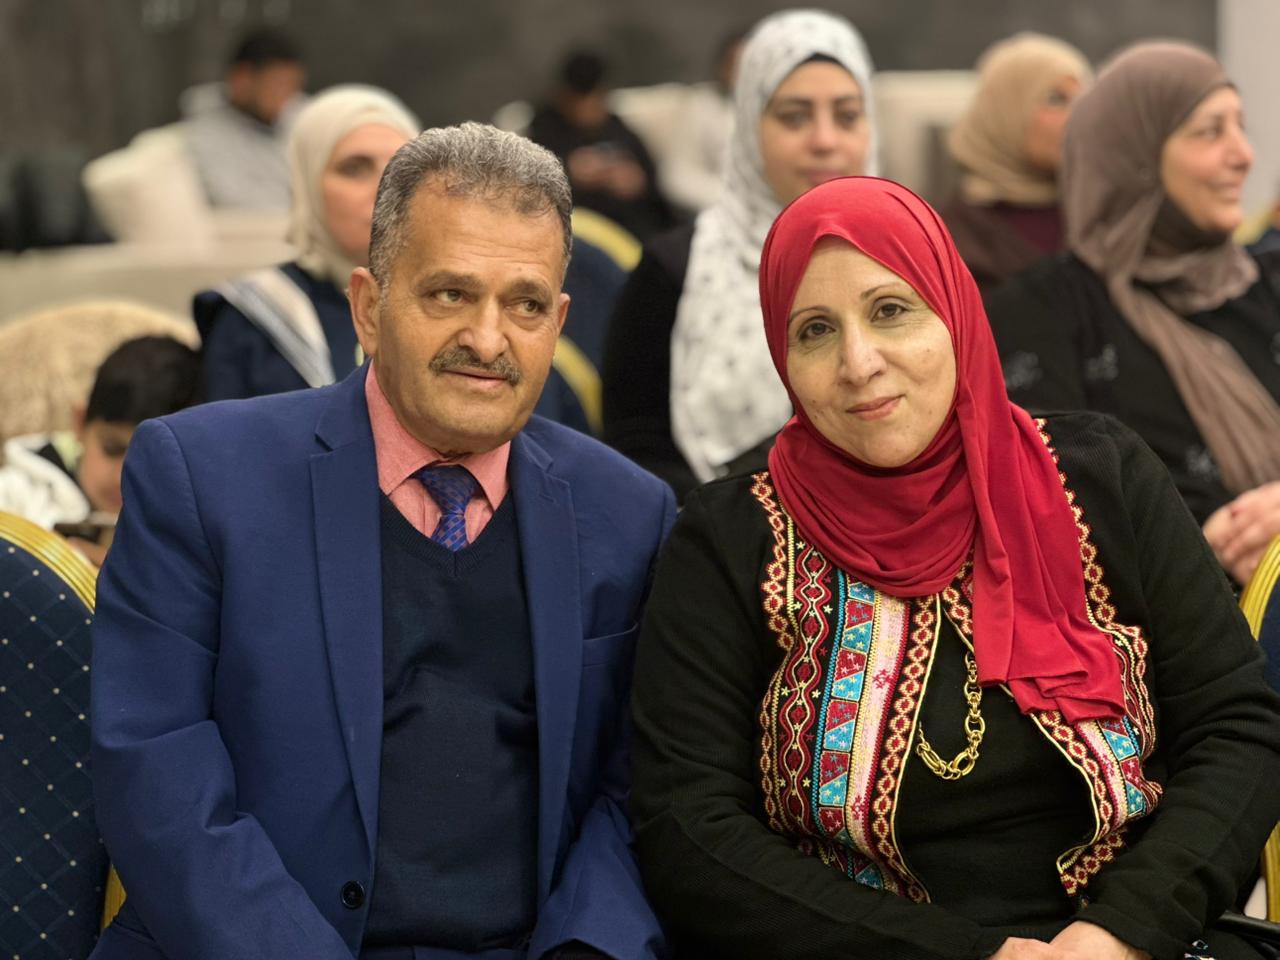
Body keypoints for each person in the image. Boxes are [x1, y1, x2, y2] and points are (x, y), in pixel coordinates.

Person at [631, 176, 1280, 960]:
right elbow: (689, 825)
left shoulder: (1103, 477)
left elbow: (1236, 729)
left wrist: (1123, 932)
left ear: (954, 311)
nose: (859, 362)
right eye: (815, 330)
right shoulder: (730, 538)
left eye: (890, 310)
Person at [90, 123, 675, 960]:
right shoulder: (202, 476)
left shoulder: (629, 513)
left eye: (526, 304)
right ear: (369, 308)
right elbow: (156, 772)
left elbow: (636, 794)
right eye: (449, 294)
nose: (488, 339)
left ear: (559, 321)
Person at [985, 42, 1280, 586]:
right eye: (1210, 132)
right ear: (1134, 157)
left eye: (1241, 128)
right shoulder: (1045, 314)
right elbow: (1051, 495)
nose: (1244, 155)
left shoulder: (1270, 279)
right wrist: (1201, 536)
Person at [602, 9, 877, 500]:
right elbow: (636, 448)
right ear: (749, 127)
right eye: (794, 117)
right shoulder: (675, 269)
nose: (825, 140)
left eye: (847, 116)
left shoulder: (911, 260)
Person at [195, 84, 419, 401]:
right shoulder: (252, 315)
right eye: (355, 168)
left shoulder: (454, 302)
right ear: (307, 184)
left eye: (402, 171)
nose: (385, 190)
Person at [0, 335, 202, 565]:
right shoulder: (14, 495)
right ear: (80, 423)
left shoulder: (189, 536)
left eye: (151, 461)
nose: (121, 478)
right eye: (112, 449)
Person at [939, 33, 1091, 295]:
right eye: (1056, 99)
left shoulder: (1100, 214)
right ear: (1004, 112)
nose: (1078, 115)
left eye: (1085, 99)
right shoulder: (954, 238)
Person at [528, 50, 674, 241]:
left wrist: (637, 180)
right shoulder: (545, 127)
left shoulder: (616, 126)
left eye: (595, 98)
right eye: (581, 100)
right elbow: (532, 182)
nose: (588, 107)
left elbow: (651, 176)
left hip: (636, 223)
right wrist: (570, 172)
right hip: (581, 227)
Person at [183, 28, 308, 210]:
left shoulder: (298, 112)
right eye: (277, 84)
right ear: (242, 79)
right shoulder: (205, 136)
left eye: (292, 85)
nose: (286, 97)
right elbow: (234, 202)